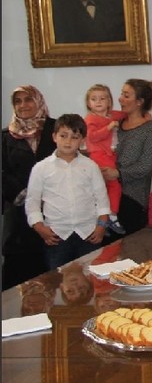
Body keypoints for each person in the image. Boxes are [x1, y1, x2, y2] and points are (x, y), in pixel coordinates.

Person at [24, 113, 110, 270]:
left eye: (74, 137)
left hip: (88, 234)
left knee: (91, 277)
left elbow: (102, 200)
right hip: (56, 236)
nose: (68, 141)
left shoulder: (91, 166)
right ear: (54, 137)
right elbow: (32, 202)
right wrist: (40, 228)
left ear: (82, 141)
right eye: (63, 136)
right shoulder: (41, 168)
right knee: (58, 278)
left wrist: (101, 227)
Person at [2, 86, 57, 290]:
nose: (23, 105)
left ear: (38, 101)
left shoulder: (56, 129)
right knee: (17, 279)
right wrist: (27, 194)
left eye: (28, 99)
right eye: (18, 101)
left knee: (52, 278)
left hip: (54, 210)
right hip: (19, 216)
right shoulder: (6, 136)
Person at [103, 79, 152, 236]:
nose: (120, 99)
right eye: (122, 94)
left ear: (139, 102)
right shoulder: (115, 124)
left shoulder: (151, 130)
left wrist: (118, 173)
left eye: (126, 95)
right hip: (106, 195)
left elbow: (145, 166)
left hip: (132, 198)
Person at [83, 83, 126, 235]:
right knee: (113, 185)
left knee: (107, 186)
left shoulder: (110, 115)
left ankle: (104, 218)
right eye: (94, 99)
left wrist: (144, 115)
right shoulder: (90, 119)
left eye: (103, 98)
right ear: (88, 103)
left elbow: (124, 114)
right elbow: (92, 137)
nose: (98, 102)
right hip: (99, 156)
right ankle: (111, 215)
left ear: (109, 101)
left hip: (110, 155)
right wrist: (109, 127)